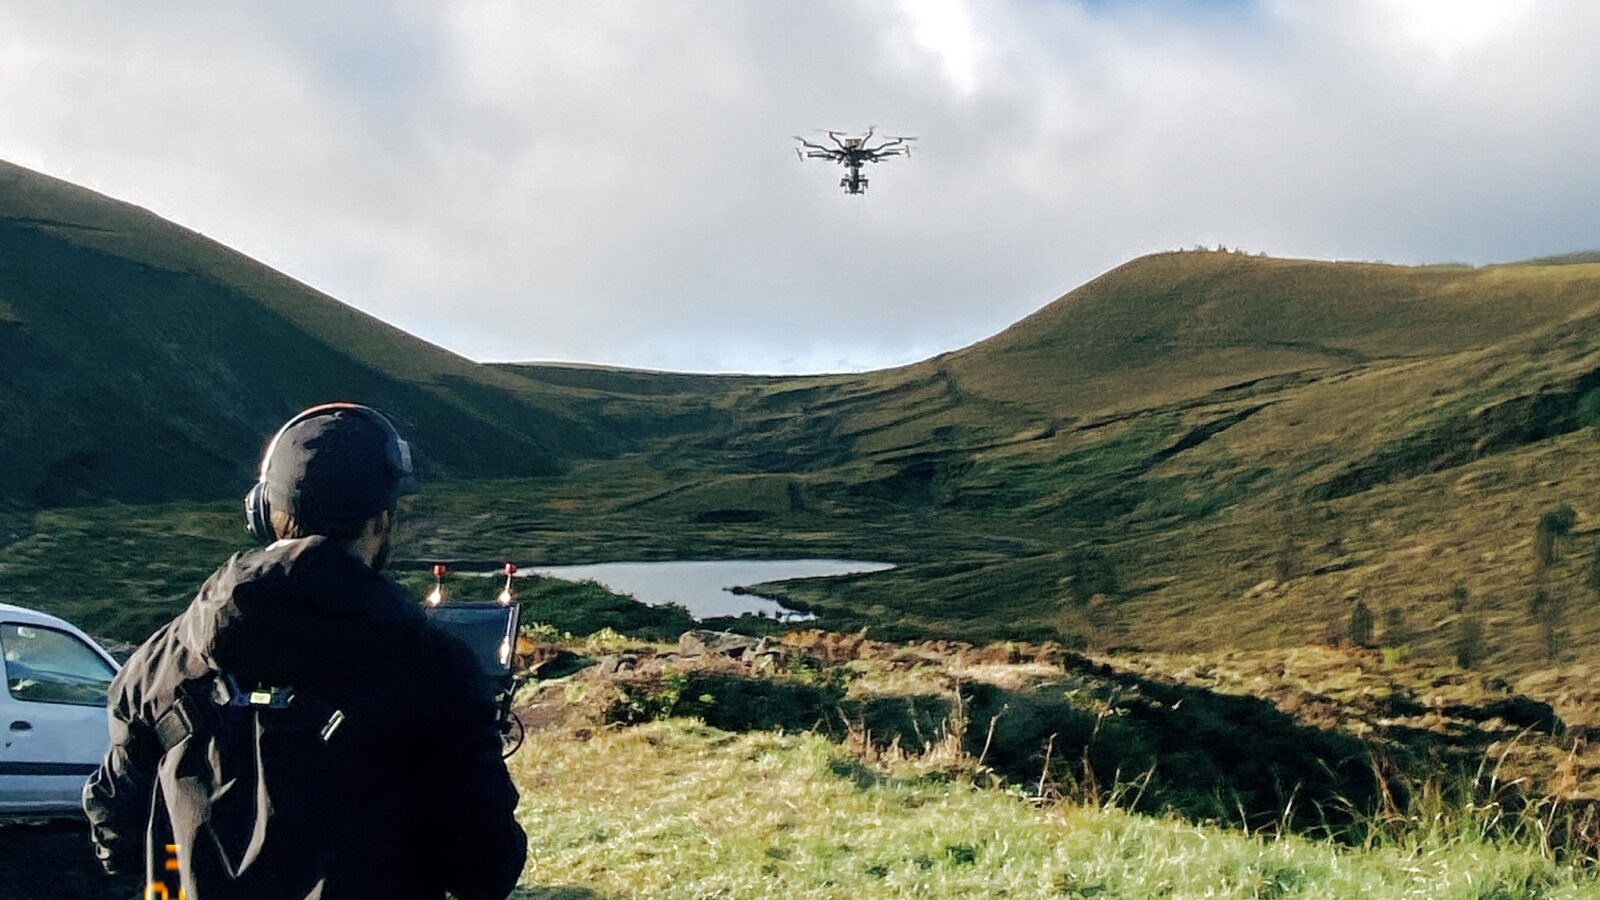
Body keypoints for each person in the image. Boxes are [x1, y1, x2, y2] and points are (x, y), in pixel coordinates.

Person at [82, 403, 527, 899]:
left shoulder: (156, 661)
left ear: (262, 514)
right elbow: (486, 870)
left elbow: (115, 833)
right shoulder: (436, 667)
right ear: (380, 522)